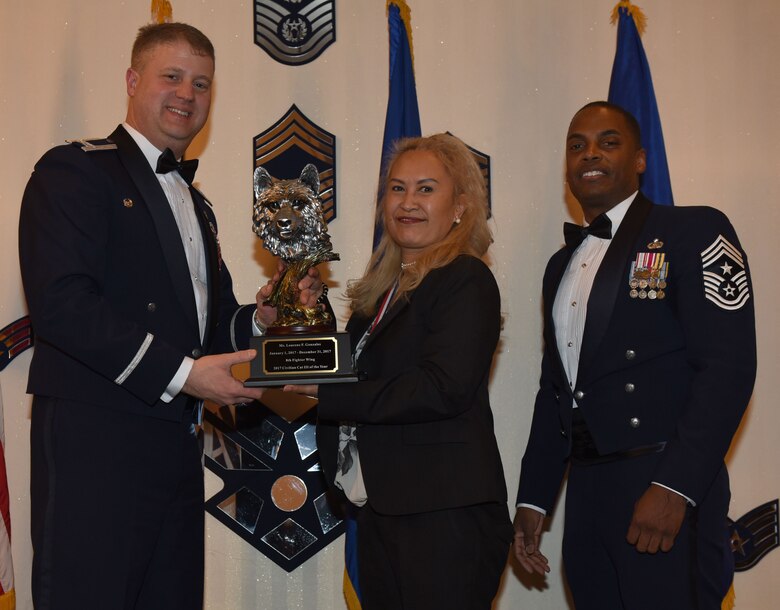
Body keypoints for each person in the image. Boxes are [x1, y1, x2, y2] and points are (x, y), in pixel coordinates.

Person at [18, 22, 320, 609]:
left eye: (201, 83)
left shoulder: (197, 204)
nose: (187, 93)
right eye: (172, 77)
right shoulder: (75, 170)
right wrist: (187, 376)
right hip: (97, 447)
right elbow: (61, 306)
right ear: (133, 81)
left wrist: (263, 318)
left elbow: (207, 332)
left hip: (176, 452)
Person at [513, 101, 756, 609]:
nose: (590, 154)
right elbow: (556, 391)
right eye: (576, 145)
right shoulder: (560, 265)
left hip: (661, 484)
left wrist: (676, 487)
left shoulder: (694, 232)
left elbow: (727, 369)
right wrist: (534, 499)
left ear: (641, 159)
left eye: (608, 141)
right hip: (586, 496)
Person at [285, 134, 512, 609]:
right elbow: (357, 369)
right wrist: (302, 321)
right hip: (383, 510)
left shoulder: (466, 279)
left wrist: (323, 394)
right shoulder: (381, 294)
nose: (408, 202)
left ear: (460, 207)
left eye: (426, 189)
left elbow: (440, 388)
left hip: (443, 516)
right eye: (397, 188)